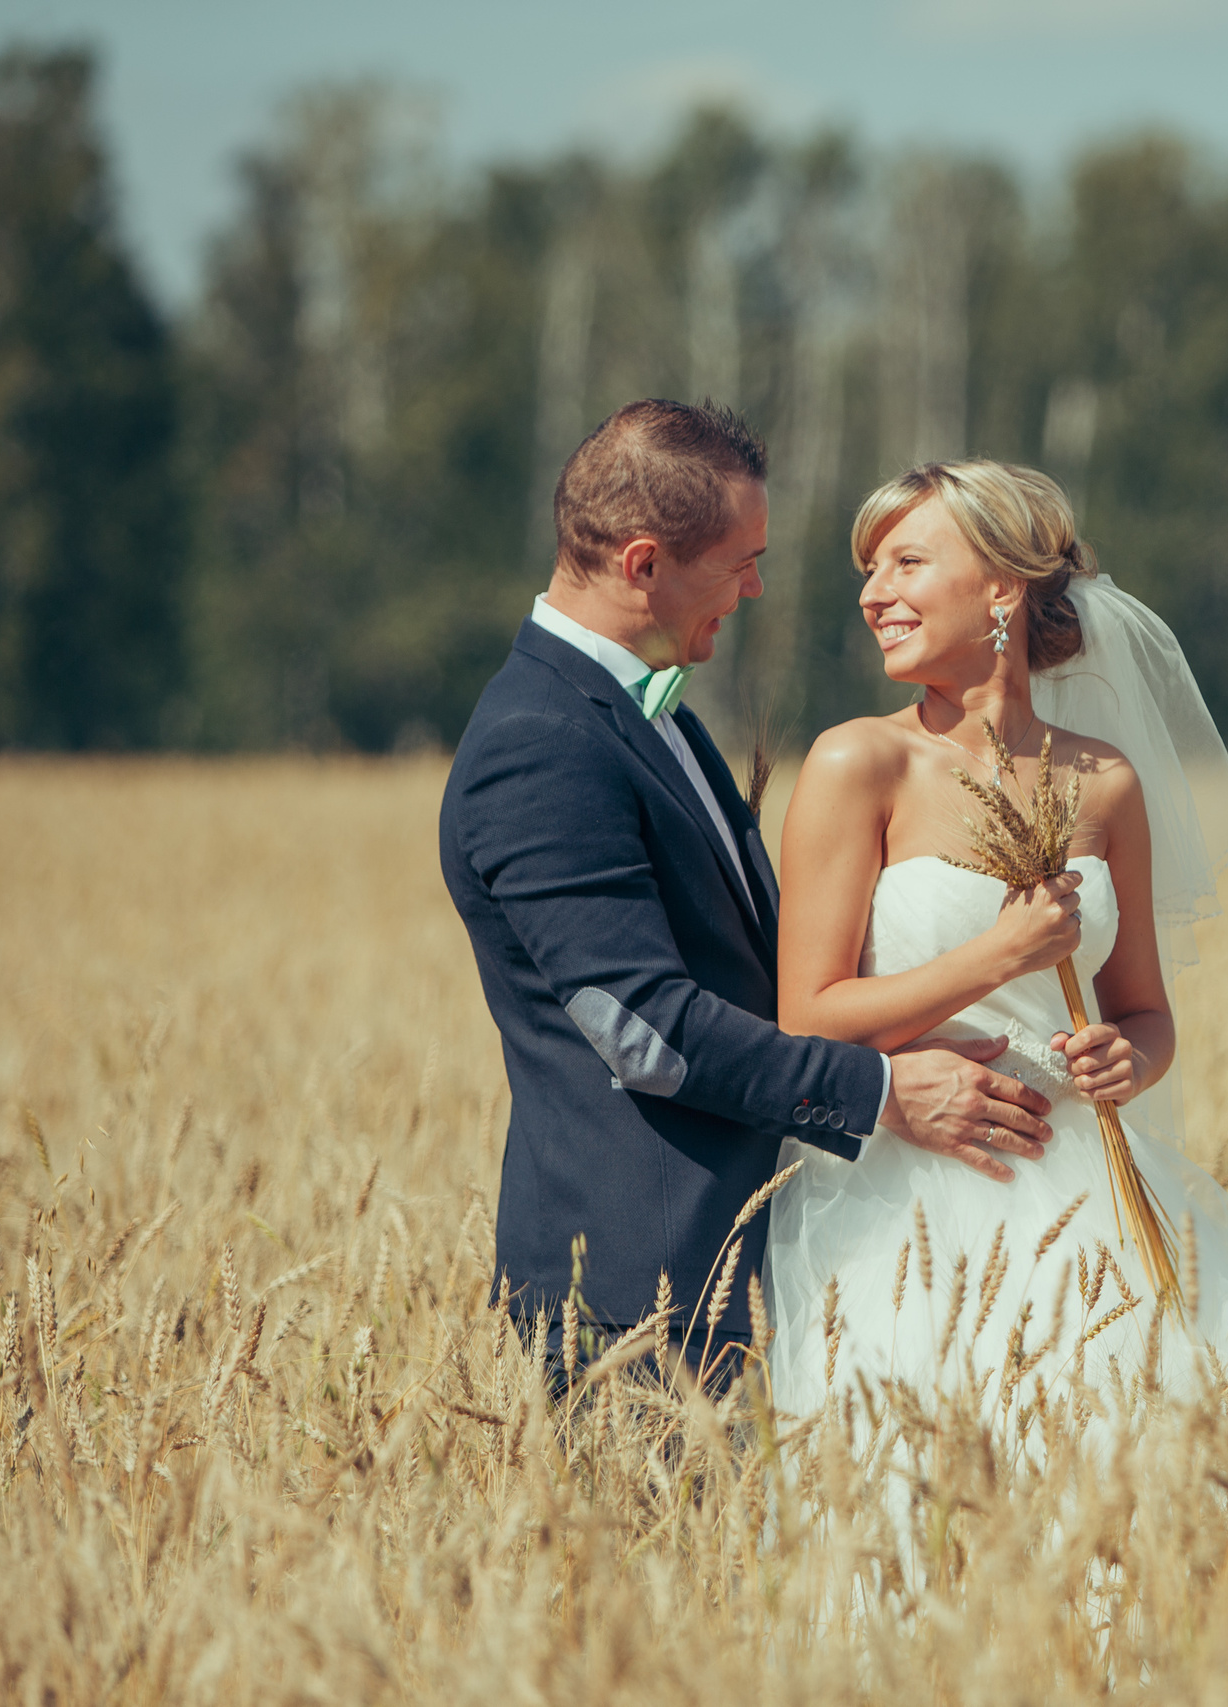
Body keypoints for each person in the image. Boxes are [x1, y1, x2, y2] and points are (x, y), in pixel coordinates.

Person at [439, 402, 1060, 1397]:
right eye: (739, 562)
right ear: (643, 565)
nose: (756, 587)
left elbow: (746, 978)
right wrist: (885, 1095)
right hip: (640, 1287)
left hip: (745, 1264)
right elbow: (644, 1029)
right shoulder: (541, 743)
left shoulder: (653, 719)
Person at [766, 458, 1228, 1415]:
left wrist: (1131, 1061)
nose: (876, 596)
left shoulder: (1106, 782)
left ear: (1003, 585)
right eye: (869, 572)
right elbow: (808, 1016)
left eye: (906, 564)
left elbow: (1147, 1013)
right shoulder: (857, 762)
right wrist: (993, 958)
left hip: (1092, 1199)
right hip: (908, 1197)